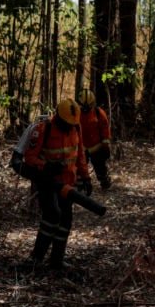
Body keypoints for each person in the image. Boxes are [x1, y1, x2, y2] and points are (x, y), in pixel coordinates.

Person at [21, 98, 92, 271]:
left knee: (66, 220)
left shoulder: (76, 127)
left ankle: (56, 261)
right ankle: (36, 259)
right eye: (66, 124)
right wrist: (46, 166)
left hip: (68, 184)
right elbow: (29, 158)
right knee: (52, 216)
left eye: (71, 124)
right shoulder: (43, 130)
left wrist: (86, 177)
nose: (69, 127)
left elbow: (80, 154)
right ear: (58, 117)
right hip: (48, 183)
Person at [77, 89, 113, 190]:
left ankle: (104, 181)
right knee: (79, 169)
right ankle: (80, 186)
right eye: (83, 106)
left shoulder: (99, 113)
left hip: (96, 146)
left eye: (88, 106)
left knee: (100, 168)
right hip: (81, 147)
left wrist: (105, 146)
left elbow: (105, 130)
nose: (85, 108)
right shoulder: (75, 114)